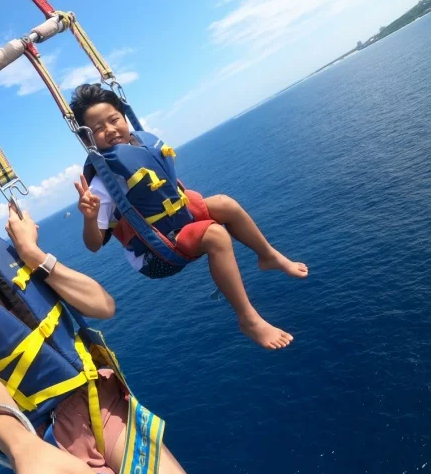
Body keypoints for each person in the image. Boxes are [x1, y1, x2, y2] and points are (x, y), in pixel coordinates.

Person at [0, 171, 251, 474]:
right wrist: (25, 450)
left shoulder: (19, 264)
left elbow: (103, 306)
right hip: (48, 439)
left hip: (102, 403)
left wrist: (34, 254)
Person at [71, 83, 308, 350]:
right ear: (87, 139)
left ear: (124, 117)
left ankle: (269, 256)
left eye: (114, 119)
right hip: (155, 255)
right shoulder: (103, 182)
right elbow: (93, 245)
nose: (111, 129)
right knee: (216, 235)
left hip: (176, 225)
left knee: (224, 203)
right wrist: (90, 217)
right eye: (99, 128)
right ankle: (249, 319)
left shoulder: (141, 143)